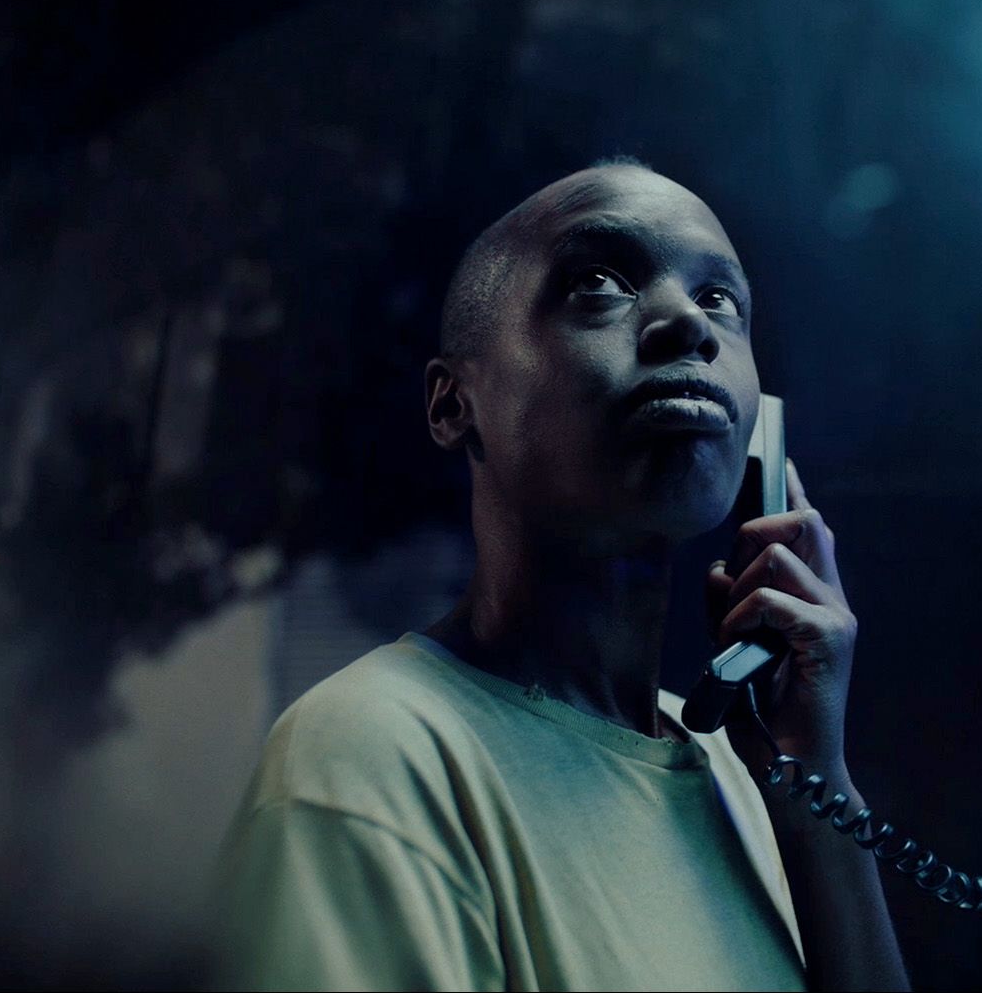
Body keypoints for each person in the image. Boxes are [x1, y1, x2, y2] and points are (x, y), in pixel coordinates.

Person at [213, 159, 910, 991]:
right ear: (452, 404)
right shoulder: (370, 755)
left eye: (720, 298)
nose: (690, 324)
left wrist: (815, 788)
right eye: (599, 284)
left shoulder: (747, 775)